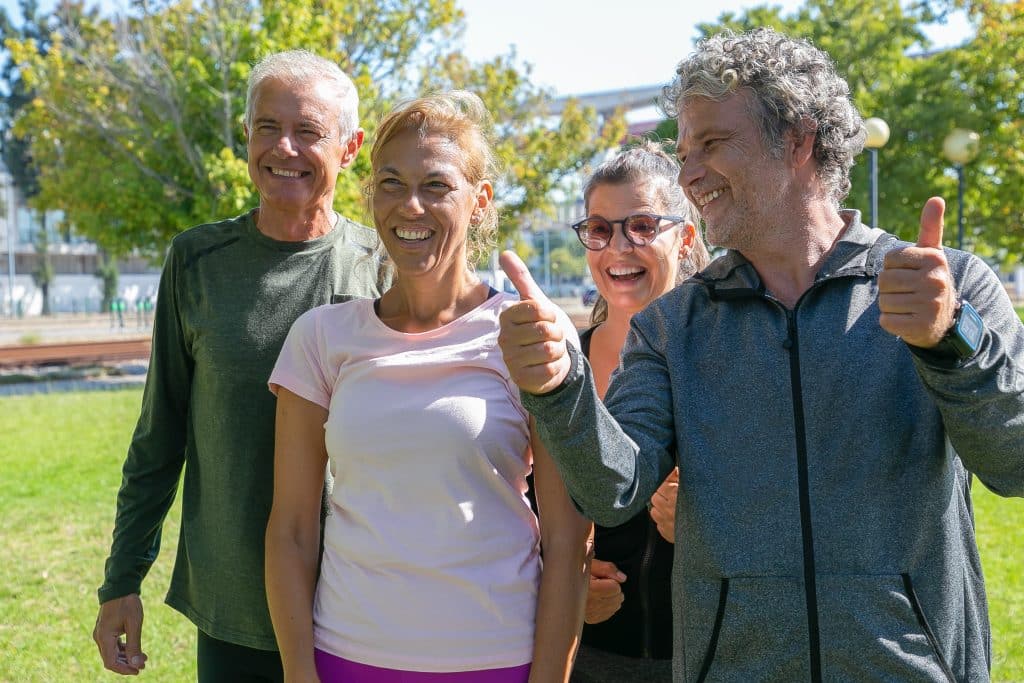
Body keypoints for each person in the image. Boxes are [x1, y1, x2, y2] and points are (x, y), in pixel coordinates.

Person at [498, 28, 1024, 682]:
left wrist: (950, 339)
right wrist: (557, 385)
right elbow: (613, 488)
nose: (688, 174)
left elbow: (1014, 462)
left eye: (712, 144)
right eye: (685, 151)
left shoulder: (948, 285)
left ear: (799, 139)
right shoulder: (673, 326)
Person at [265, 91, 592, 683]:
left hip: (497, 659)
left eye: (436, 186)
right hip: (348, 656)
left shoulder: (529, 331)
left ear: (479, 201)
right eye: (391, 184)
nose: (410, 206)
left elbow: (569, 544)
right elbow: (290, 530)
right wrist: (298, 672)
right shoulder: (320, 337)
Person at [92, 50, 390, 680]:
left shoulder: (384, 267)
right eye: (265, 126)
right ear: (246, 136)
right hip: (232, 604)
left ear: (350, 146)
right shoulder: (198, 261)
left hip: (361, 607)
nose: (284, 147)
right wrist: (122, 580)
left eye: (309, 130)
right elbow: (159, 436)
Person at [566, 142, 709, 682]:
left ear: (687, 237)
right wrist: (561, 582)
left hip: (706, 658)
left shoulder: (730, 364)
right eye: (600, 229)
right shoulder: (560, 369)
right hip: (584, 659)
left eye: (644, 226)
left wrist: (703, 526)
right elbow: (511, 509)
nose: (619, 246)